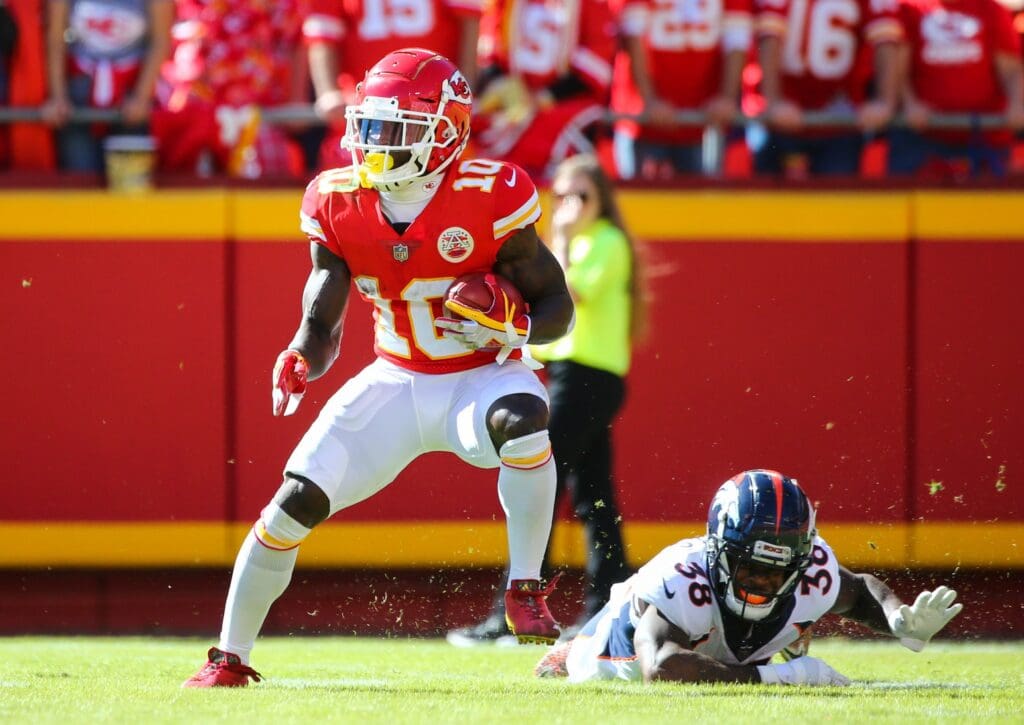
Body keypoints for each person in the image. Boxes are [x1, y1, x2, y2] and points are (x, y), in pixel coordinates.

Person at [183, 47, 574, 688]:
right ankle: (228, 658)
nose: (373, 144)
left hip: (480, 376)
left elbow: (558, 307)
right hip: (394, 380)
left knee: (525, 417)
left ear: (446, 130)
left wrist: (517, 326)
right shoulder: (338, 199)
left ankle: (525, 585)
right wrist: (300, 357)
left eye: (395, 130)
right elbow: (323, 319)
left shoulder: (491, 194)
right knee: (292, 503)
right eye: (368, 126)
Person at [447, 154, 646, 646]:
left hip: (587, 378)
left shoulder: (606, 241)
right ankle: (609, 609)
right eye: (562, 196)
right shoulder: (581, 241)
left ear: (601, 202)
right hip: (570, 374)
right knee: (594, 496)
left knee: (538, 484)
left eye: (582, 196)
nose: (570, 206)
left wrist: (558, 236)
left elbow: (569, 293)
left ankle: (511, 615)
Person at [534, 469, 964, 683]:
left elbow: (859, 588)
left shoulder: (813, 570)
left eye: (779, 570)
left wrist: (896, 617)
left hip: (716, 647)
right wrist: (782, 676)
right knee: (562, 666)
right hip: (609, 656)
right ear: (719, 552)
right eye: (753, 567)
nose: (765, 581)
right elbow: (662, 667)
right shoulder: (683, 576)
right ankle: (571, 649)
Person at [302, 0, 481, 168]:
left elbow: (469, 20)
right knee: (351, 186)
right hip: (366, 114)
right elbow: (322, 34)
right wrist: (328, 92)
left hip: (435, 110)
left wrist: (465, 88)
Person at [750, 0, 904, 177]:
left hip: (839, 118)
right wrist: (774, 101)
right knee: (771, 197)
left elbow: (887, 38)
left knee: (836, 197)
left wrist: (885, 101)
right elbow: (769, 37)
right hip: (784, 118)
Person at [470, 0, 619, 181]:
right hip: (511, 103)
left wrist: (543, 97)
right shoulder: (503, 3)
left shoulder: (593, 5)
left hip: (564, 104)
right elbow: (489, 52)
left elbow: (596, 68)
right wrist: (504, 85)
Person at [611, 0, 753, 179]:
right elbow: (632, 33)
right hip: (643, 120)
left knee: (701, 202)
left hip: (700, 120)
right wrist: (649, 100)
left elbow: (737, 37)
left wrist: (727, 97)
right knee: (634, 201)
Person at [888, 0, 1024, 177]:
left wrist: (1017, 103)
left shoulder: (991, 9)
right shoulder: (909, 8)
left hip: (985, 136)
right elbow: (896, 65)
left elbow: (1011, 69)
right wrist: (909, 103)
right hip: (923, 137)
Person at [40, 0, 174, 172]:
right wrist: (58, 97)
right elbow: (55, 38)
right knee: (80, 180)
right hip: (79, 96)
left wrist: (141, 97)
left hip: (132, 91)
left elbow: (161, 40)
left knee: (130, 185)